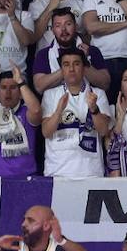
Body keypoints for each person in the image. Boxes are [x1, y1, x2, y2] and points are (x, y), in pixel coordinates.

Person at [41, 48, 113, 177]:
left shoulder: (98, 94)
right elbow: (46, 132)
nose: (71, 69)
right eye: (66, 65)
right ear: (61, 70)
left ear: (84, 68)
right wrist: (58, 111)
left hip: (90, 172)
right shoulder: (50, 94)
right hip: (57, 171)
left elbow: (104, 131)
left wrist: (94, 109)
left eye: (76, 63)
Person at [0, 66, 41, 177]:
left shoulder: (26, 113)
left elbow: (36, 110)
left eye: (13, 87)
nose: (8, 92)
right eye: (3, 87)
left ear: (20, 92)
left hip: (26, 179)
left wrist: (20, 81)